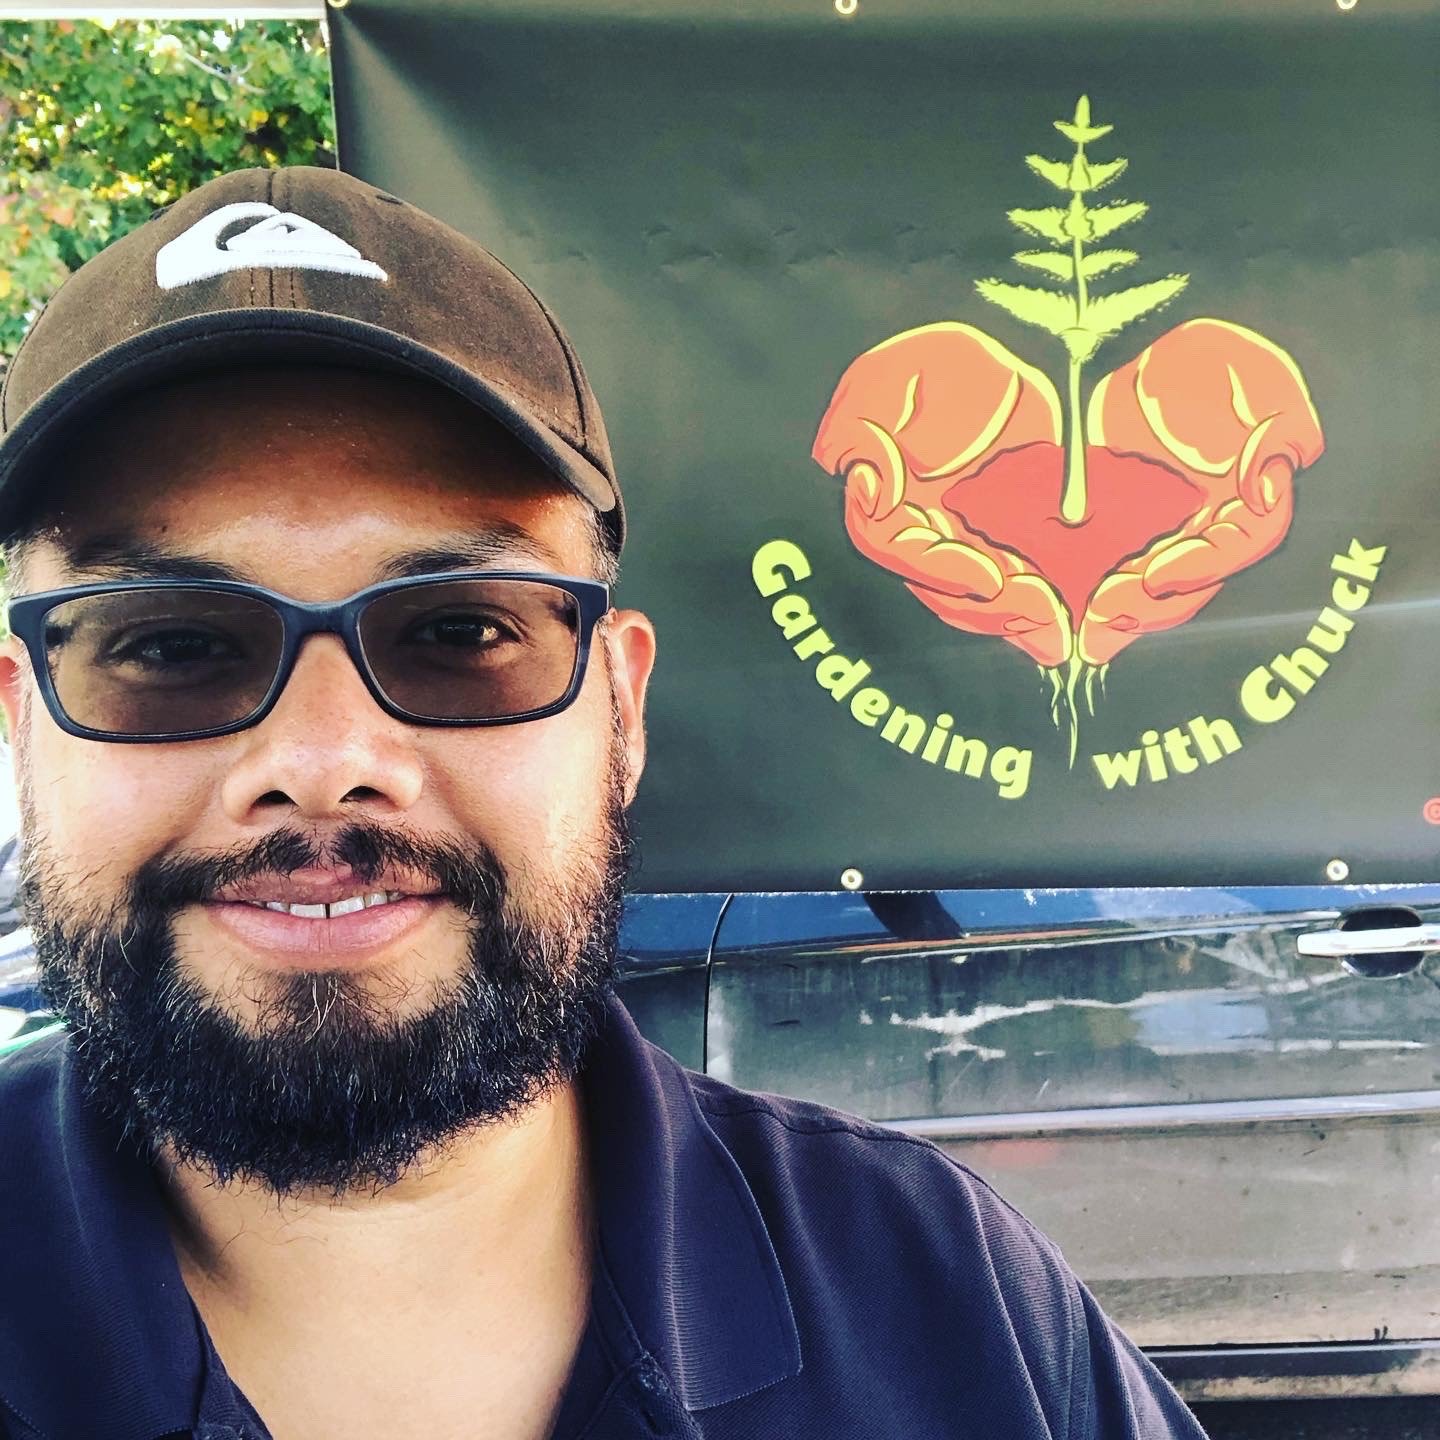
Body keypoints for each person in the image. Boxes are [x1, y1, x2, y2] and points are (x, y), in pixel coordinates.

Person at [0, 167, 1207, 1440]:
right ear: (24, 723)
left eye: (460, 631)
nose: (321, 757)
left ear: (620, 714)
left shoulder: (949, 1303)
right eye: (173, 645)